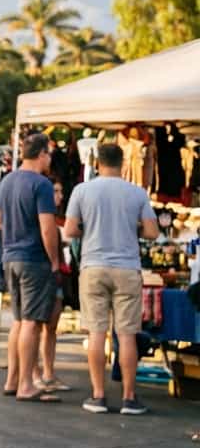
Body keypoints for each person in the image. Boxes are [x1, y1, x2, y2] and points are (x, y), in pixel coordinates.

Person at [64, 143, 159, 416]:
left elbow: (70, 229)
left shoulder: (82, 190)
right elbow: (152, 232)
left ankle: (98, 396)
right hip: (127, 268)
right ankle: (129, 397)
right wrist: (132, 227)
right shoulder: (136, 192)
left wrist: (90, 227)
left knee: (96, 332)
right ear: (123, 163)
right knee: (127, 334)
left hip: (93, 266)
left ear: (97, 163)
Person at [0, 133, 62, 403]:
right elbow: (47, 227)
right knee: (32, 323)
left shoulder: (6, 181)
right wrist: (54, 260)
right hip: (33, 258)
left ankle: (12, 379)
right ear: (42, 154)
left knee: (19, 320)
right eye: (49, 154)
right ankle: (25, 384)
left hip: (10, 255)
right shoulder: (41, 184)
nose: (50, 160)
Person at [32, 179, 70, 394]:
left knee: (51, 327)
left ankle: (48, 373)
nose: (59, 196)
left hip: (57, 276)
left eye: (60, 191)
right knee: (36, 326)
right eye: (55, 191)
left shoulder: (60, 220)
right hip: (43, 274)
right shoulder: (40, 219)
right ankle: (34, 373)